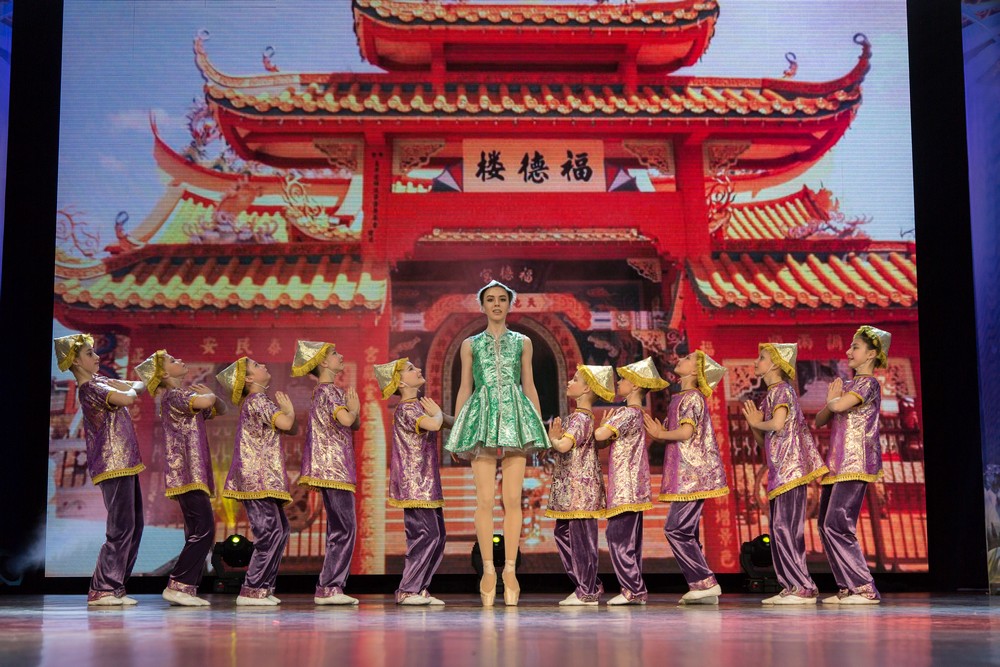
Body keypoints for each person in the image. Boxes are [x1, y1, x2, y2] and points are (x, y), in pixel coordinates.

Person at [444, 280, 548, 606]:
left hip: (515, 415)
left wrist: (537, 427)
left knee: (513, 499)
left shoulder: (523, 342)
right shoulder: (470, 345)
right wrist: (459, 430)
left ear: (509, 304)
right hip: (482, 415)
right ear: (482, 305)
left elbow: (529, 385)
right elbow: (465, 387)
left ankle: (511, 571)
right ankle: (488, 570)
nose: (497, 304)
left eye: (502, 299)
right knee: (485, 500)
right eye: (490, 299)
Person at [55, 333, 146, 606]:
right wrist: (127, 389)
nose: (96, 357)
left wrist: (129, 387)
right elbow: (128, 398)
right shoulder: (89, 388)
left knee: (134, 525)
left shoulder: (100, 382)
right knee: (121, 527)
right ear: (76, 361)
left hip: (125, 461)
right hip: (112, 462)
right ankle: (103, 588)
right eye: (89, 354)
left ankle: (116, 586)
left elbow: (138, 387)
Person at [135, 349, 224, 606]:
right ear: (164, 374)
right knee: (203, 529)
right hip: (187, 472)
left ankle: (186, 588)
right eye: (173, 361)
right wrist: (209, 396)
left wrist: (211, 396)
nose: (181, 360)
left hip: (191, 473)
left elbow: (219, 408)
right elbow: (207, 403)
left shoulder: (183, 396)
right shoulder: (176, 395)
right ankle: (179, 585)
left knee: (198, 530)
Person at [742, 343, 827, 605]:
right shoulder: (771, 394)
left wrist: (758, 422)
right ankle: (792, 585)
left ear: (776, 364)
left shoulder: (782, 390)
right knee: (779, 529)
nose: (756, 362)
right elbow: (764, 439)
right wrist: (754, 424)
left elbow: (777, 424)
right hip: (780, 472)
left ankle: (802, 587)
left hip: (790, 470)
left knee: (785, 528)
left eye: (762, 357)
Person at [643, 350, 729, 605]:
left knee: (676, 529)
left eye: (689, 358)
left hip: (693, 475)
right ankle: (701, 588)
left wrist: (660, 434)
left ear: (695, 371)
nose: (682, 358)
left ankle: (705, 581)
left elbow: (685, 432)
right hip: (686, 474)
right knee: (685, 531)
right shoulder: (681, 397)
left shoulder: (691, 397)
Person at [814, 326, 891, 605]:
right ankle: (846, 587)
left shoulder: (869, 384)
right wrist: (831, 401)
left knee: (838, 523)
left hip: (855, 461)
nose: (848, 351)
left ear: (871, 354)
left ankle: (864, 587)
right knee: (825, 525)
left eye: (855, 347)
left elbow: (836, 407)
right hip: (837, 463)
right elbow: (820, 419)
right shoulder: (847, 386)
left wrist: (832, 401)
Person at [217, 356, 296, 606]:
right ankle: (252, 589)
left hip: (263, 477)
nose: (263, 366)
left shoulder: (258, 401)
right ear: (249, 379)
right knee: (269, 533)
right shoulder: (258, 400)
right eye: (255, 366)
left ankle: (263, 587)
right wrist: (289, 410)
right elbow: (286, 423)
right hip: (257, 478)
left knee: (280, 530)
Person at [376, 358, 452, 605]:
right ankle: (408, 589)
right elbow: (434, 424)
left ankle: (420, 588)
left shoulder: (418, 406)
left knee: (437, 536)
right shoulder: (407, 409)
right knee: (425, 535)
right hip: (415, 483)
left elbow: (445, 421)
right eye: (410, 369)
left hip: (426, 482)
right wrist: (437, 413)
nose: (418, 370)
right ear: (400, 383)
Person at [594, 357, 669, 606]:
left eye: (623, 379)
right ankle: (634, 588)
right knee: (629, 540)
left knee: (617, 537)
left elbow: (600, 435)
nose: (619, 382)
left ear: (635, 386)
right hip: (634, 484)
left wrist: (602, 425)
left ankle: (633, 589)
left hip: (626, 486)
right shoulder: (637, 414)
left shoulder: (626, 413)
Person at [291, 341, 361, 606]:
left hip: (334, 468)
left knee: (339, 528)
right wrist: (353, 408)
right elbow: (348, 420)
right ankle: (330, 586)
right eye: (334, 353)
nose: (340, 355)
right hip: (334, 468)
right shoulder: (329, 391)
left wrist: (353, 410)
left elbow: (353, 423)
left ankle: (329, 586)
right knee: (344, 528)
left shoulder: (325, 392)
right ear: (322, 362)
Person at [546, 365, 614, 606]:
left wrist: (553, 438)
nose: (569, 382)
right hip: (574, 490)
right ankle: (588, 585)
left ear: (586, 389)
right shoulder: (584, 418)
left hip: (580, 491)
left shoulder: (579, 418)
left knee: (580, 540)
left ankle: (587, 590)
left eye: (574, 379)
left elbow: (564, 446)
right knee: (565, 533)